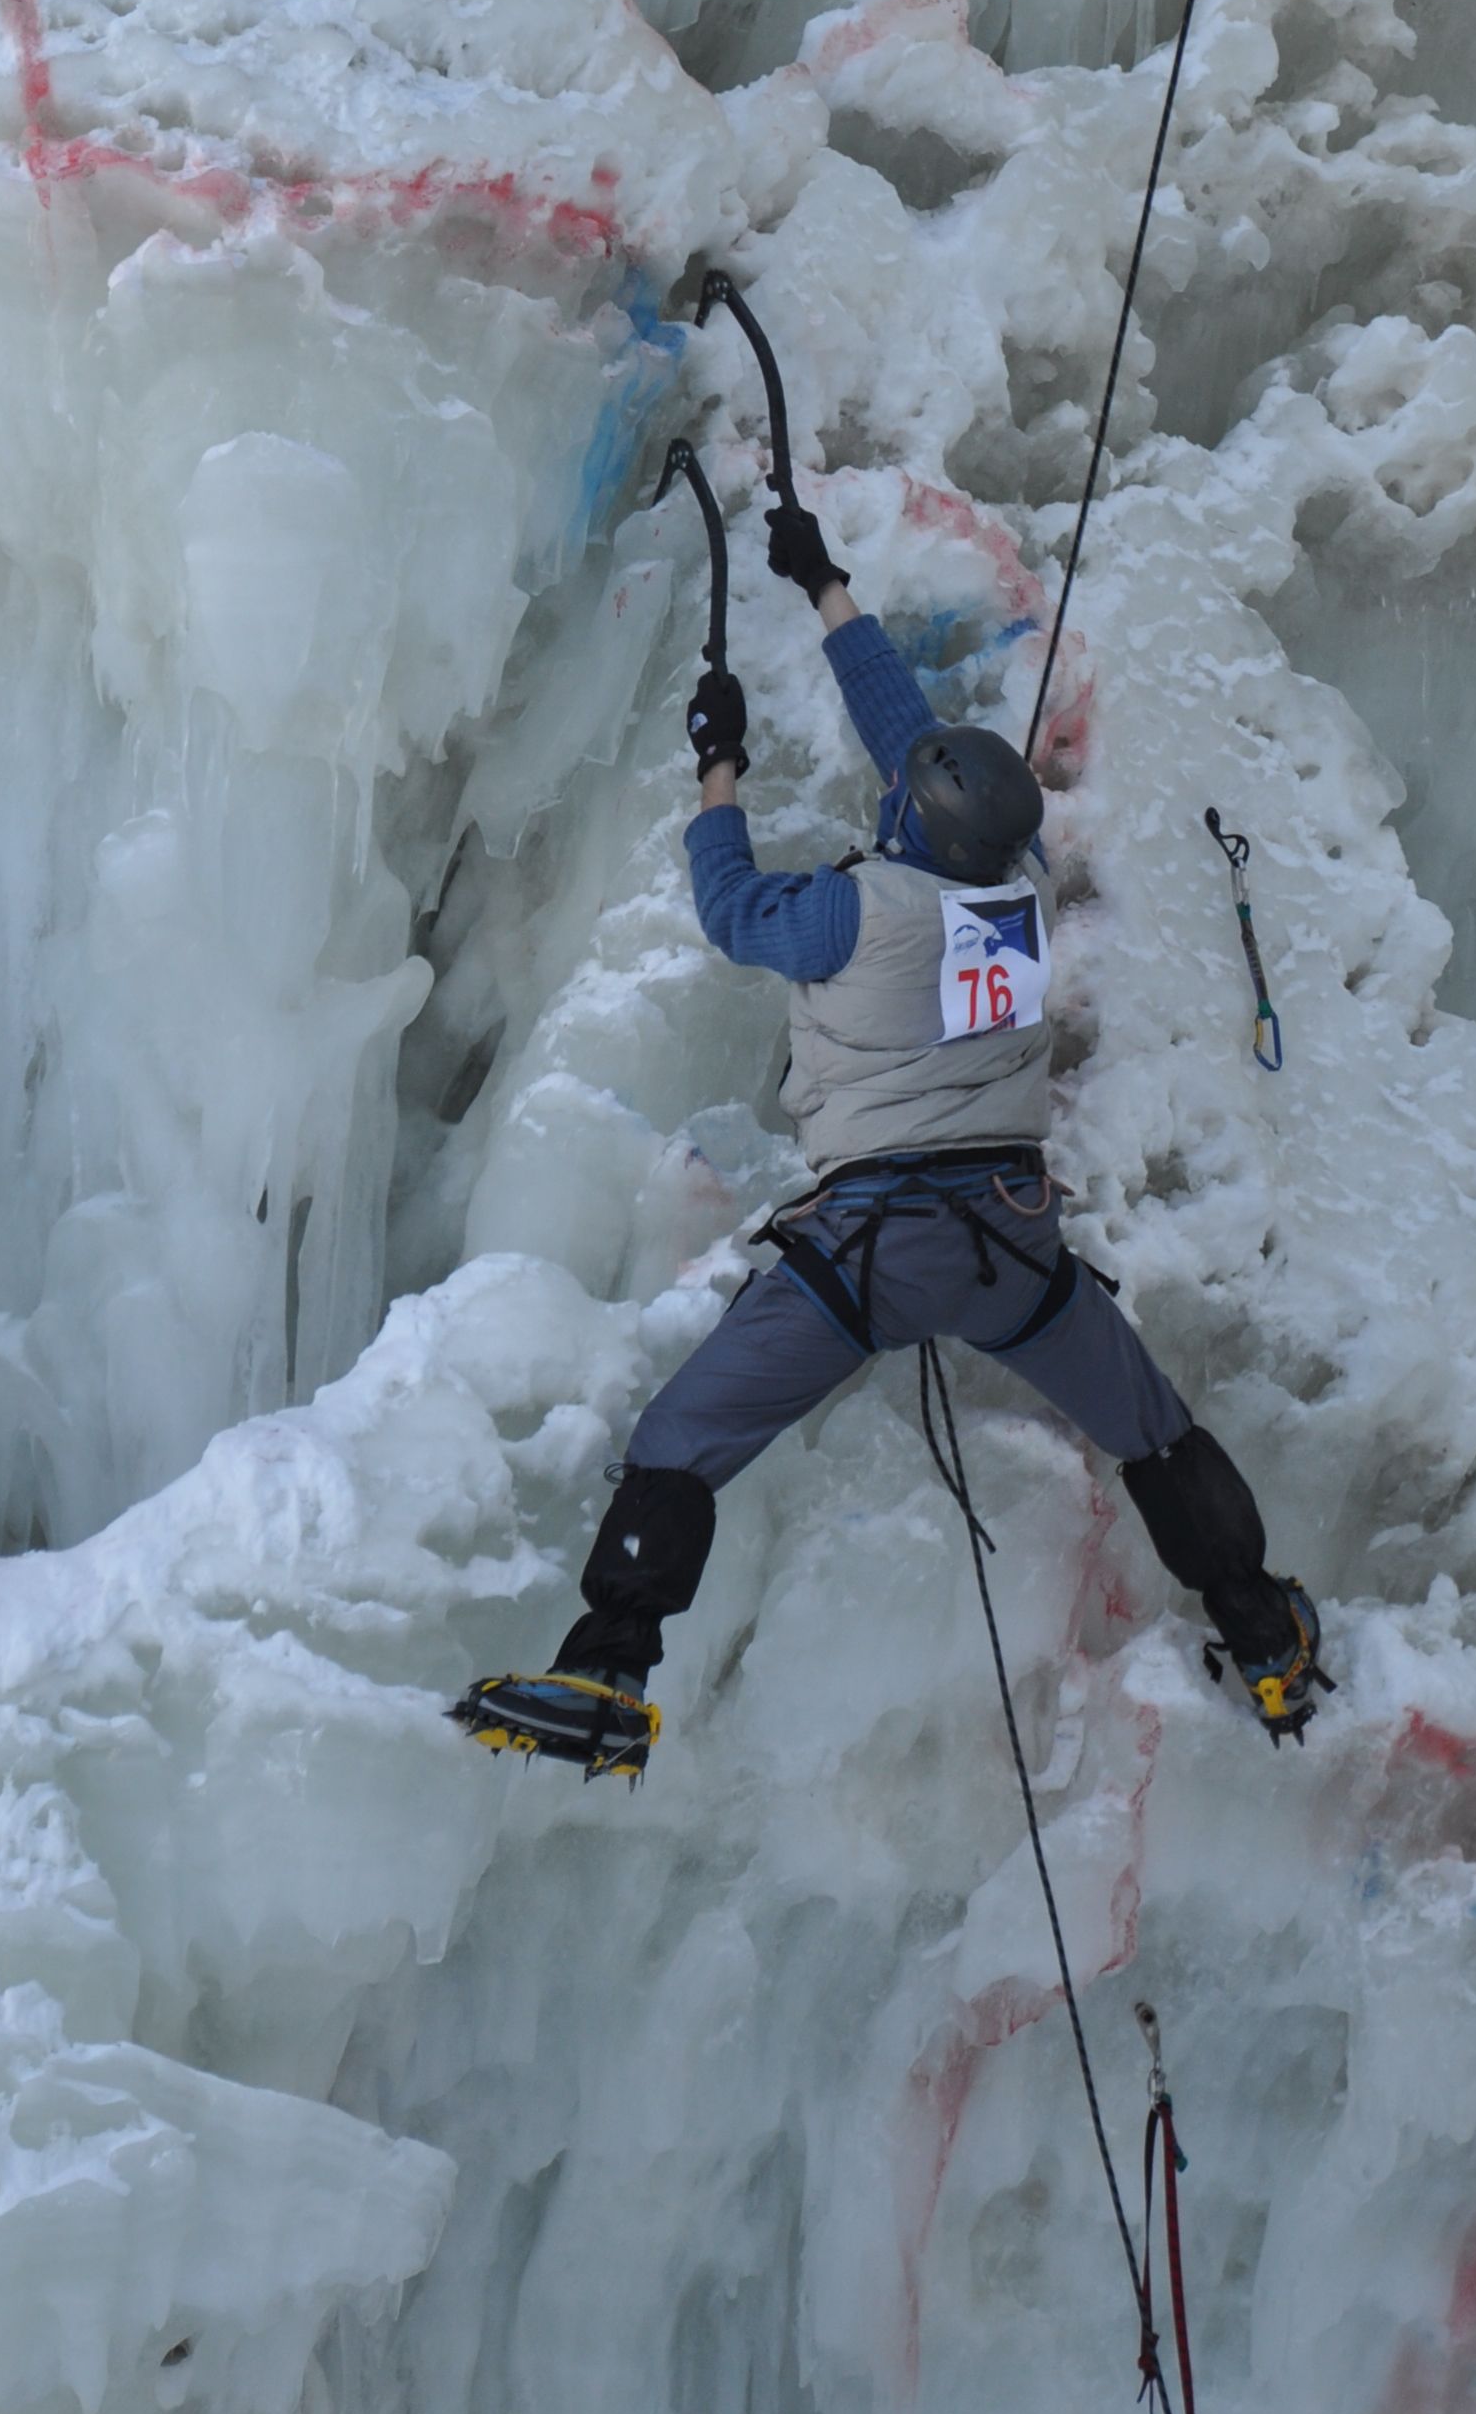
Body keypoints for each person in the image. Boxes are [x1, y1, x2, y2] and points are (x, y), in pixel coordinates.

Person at [454, 498, 1328, 1780]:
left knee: (681, 1441)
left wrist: (719, 768)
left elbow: (730, 905)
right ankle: (1265, 1640)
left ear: (914, 827)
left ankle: (608, 1670)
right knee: (1153, 1428)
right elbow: (910, 736)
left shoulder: (850, 914)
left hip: (866, 1255)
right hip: (1011, 1250)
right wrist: (826, 588)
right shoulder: (1013, 887)